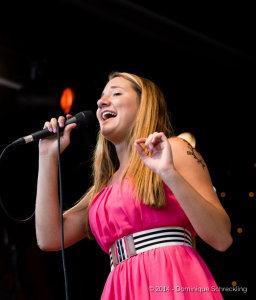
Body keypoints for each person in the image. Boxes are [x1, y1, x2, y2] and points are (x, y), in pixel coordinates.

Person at [35, 71, 232, 299]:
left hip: (171, 279)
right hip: (121, 287)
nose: (101, 102)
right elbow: (49, 237)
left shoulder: (175, 149)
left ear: (143, 106)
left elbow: (221, 237)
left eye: (116, 93)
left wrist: (167, 172)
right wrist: (47, 157)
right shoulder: (102, 191)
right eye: (101, 97)